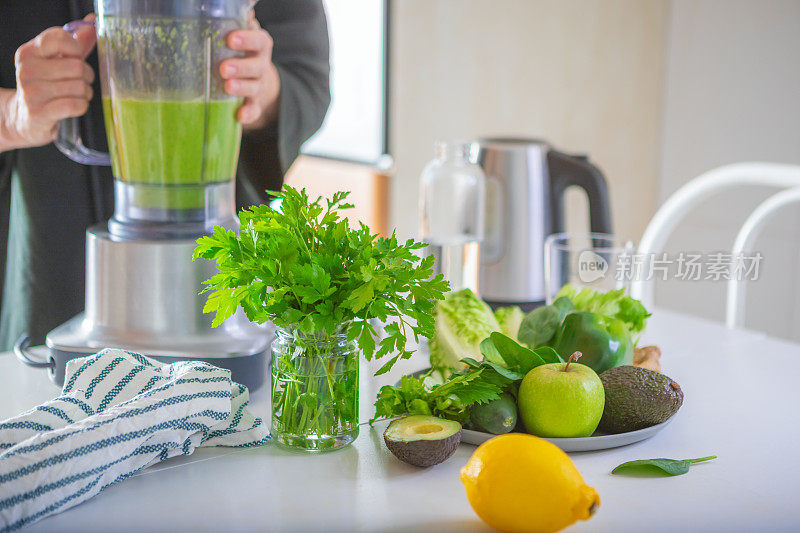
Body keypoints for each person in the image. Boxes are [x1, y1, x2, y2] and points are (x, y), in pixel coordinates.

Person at [0, 1, 330, 348]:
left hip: (221, 275)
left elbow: (308, 77)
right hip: (45, 260)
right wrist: (12, 116)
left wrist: (261, 89)